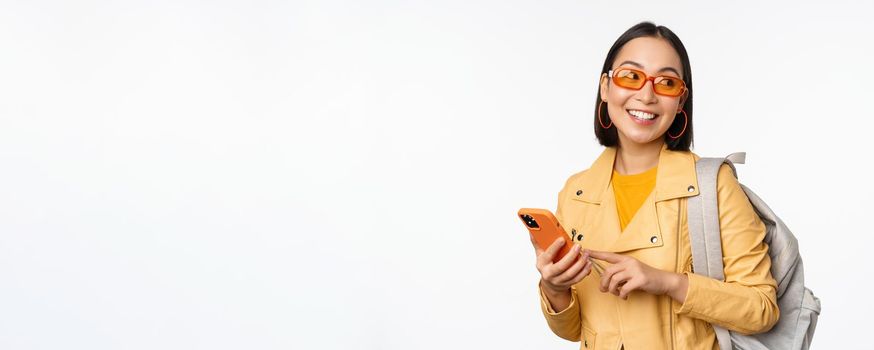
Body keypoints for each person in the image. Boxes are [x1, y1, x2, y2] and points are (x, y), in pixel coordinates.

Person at [529, 22, 779, 350]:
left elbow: (762, 309)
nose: (646, 95)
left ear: (680, 100)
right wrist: (553, 287)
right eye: (630, 76)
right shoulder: (576, 193)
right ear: (605, 87)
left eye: (666, 82)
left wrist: (666, 282)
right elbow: (575, 330)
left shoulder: (712, 184)